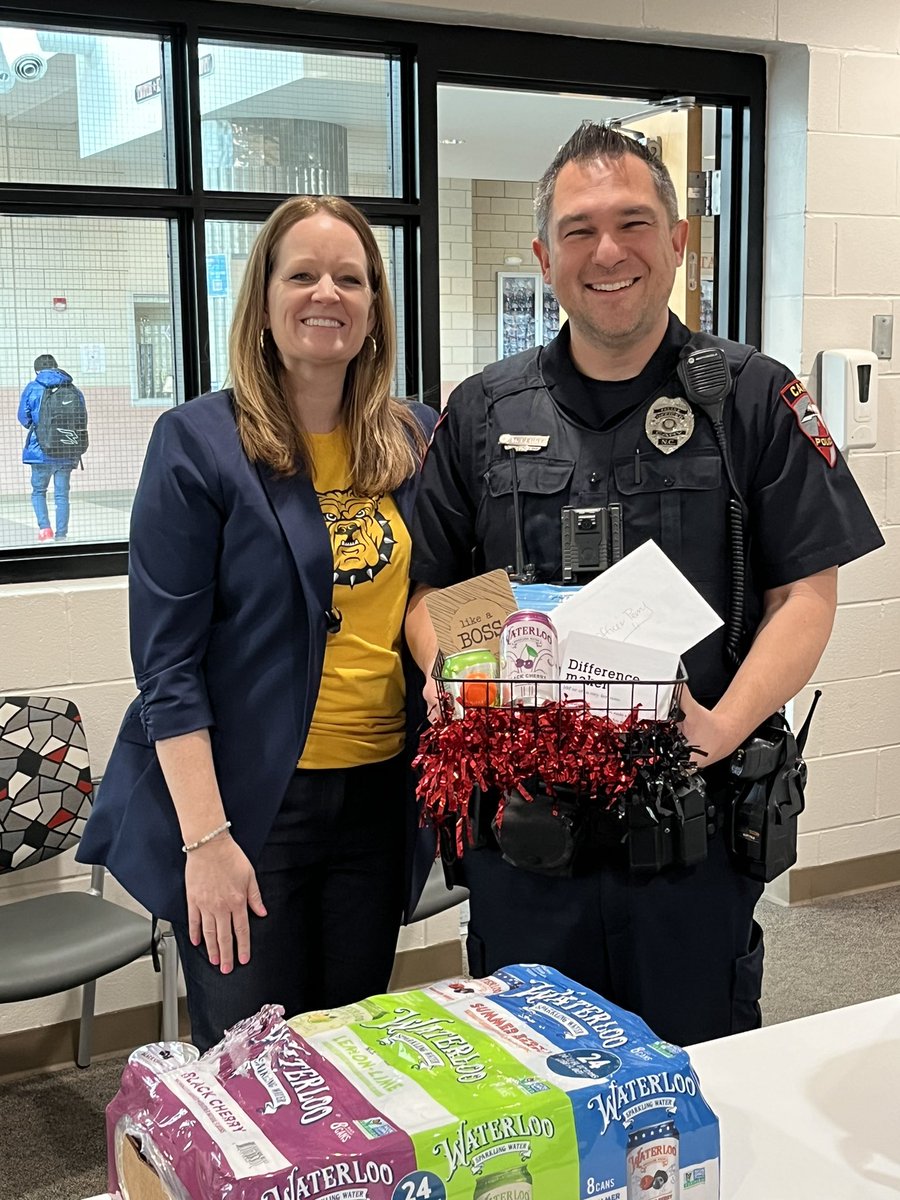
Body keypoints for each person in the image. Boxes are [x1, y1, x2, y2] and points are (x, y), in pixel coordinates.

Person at [405, 123, 884, 1047]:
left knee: (695, 1075)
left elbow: (804, 594)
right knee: (533, 1082)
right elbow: (435, 589)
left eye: (633, 223)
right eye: (579, 230)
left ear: (678, 240)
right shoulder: (482, 411)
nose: (608, 252)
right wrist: (459, 670)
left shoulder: (750, 398)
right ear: (544, 257)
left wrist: (723, 726)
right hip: (525, 833)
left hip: (689, 834)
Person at [77, 195, 438, 1052]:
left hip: (377, 800)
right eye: (302, 274)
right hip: (248, 810)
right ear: (264, 300)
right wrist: (205, 840)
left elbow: (440, 587)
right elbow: (167, 668)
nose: (327, 294)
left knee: (349, 1058)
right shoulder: (198, 443)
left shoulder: (412, 436)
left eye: (351, 278)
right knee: (251, 1069)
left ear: (375, 305)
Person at [18, 353, 85, 542]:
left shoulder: (33, 387)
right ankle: (62, 535)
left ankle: (45, 530)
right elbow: (81, 418)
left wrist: (39, 428)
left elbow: (23, 417)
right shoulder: (72, 388)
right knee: (62, 495)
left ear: (37, 371)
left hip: (40, 451)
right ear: (56, 367)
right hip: (66, 450)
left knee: (39, 491)